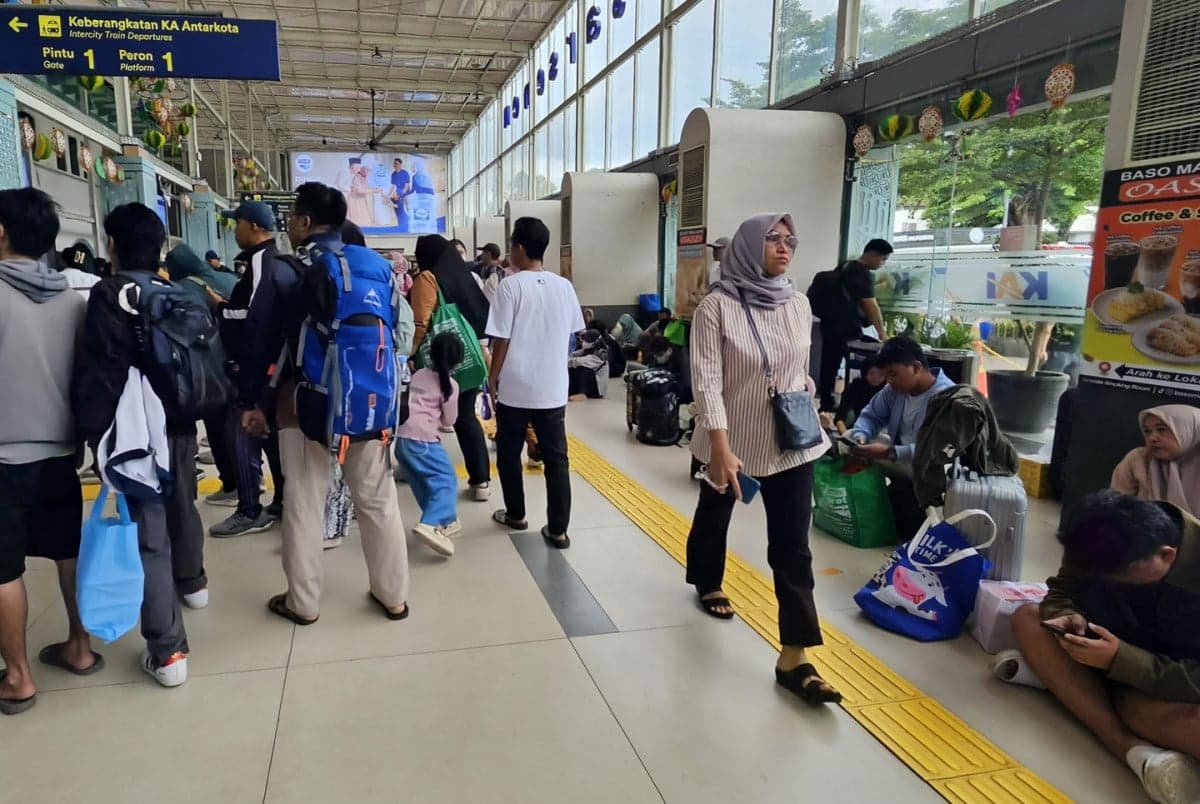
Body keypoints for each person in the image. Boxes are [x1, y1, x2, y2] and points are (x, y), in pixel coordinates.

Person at [686, 212, 840, 704]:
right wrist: (719, 447)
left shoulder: (798, 302)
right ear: (751, 246)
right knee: (716, 513)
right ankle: (707, 579)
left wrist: (809, 395)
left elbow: (799, 364)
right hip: (733, 439)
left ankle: (795, 656)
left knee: (792, 547)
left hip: (793, 440)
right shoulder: (716, 307)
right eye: (772, 238)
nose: (783, 246)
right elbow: (707, 379)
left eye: (789, 239)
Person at [253, 181, 411, 625]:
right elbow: (398, 333)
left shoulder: (289, 269)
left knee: (304, 503)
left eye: (293, 218)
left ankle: (302, 603)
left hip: (305, 406)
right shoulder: (378, 267)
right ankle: (393, 596)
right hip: (372, 402)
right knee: (378, 502)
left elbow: (260, 341)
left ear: (304, 222)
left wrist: (252, 399)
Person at [1012, 491, 1200, 804]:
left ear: (1166, 555)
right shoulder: (1100, 538)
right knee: (1029, 619)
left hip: (1173, 683)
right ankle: (1129, 748)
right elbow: (1061, 591)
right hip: (1111, 656)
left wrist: (1121, 660)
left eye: (1120, 576)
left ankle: (1075, 687)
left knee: (1156, 715)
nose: (1105, 580)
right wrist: (1064, 615)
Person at [74, 203, 194, 687]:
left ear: (113, 244)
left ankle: (168, 654)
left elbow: (100, 373)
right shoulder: (175, 291)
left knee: (149, 537)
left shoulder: (110, 293)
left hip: (135, 435)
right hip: (181, 425)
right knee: (180, 510)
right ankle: (196, 585)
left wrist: (93, 436)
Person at [0, 188, 97, 714]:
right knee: (67, 553)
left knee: (3, 569)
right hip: (63, 454)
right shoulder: (72, 301)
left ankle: (18, 679)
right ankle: (80, 648)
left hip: (3, 457)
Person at [487, 216, 584, 548]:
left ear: (520, 248)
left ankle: (516, 514)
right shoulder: (564, 286)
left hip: (515, 386)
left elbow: (501, 340)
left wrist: (492, 377)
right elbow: (572, 336)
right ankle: (559, 530)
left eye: (512, 243)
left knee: (509, 452)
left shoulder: (510, 286)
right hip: (553, 387)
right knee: (557, 458)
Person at [206, 201, 292, 538]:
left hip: (255, 368)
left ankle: (249, 510)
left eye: (237, 223)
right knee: (270, 436)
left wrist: (221, 309)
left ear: (254, 226)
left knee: (241, 432)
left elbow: (254, 318)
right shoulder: (278, 261)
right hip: (275, 368)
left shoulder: (261, 264)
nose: (235, 230)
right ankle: (282, 500)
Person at [410, 234, 493, 502]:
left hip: (440, 360)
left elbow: (420, 322)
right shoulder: (463, 274)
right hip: (467, 357)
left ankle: (426, 475)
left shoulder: (428, 278)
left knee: (425, 417)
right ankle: (481, 480)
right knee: (466, 418)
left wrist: (408, 354)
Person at [847, 336, 955, 540]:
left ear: (915, 367)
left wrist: (889, 452)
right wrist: (860, 436)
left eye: (893, 374)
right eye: (887, 375)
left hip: (931, 469)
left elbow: (936, 450)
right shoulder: (894, 391)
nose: (889, 381)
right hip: (902, 460)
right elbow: (871, 416)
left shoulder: (946, 397)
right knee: (848, 439)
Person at [396, 331, 464, 558]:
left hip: (403, 439)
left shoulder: (419, 375)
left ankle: (441, 521)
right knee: (446, 480)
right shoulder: (451, 386)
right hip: (423, 441)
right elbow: (449, 421)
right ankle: (431, 522)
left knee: (421, 481)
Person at [814, 239, 893, 411]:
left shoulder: (845, 266)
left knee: (829, 366)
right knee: (862, 366)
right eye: (882, 259)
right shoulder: (863, 273)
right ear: (872, 254)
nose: (882, 264)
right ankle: (853, 405)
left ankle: (826, 405)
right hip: (847, 329)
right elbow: (871, 305)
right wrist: (882, 334)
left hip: (829, 325)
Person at [1112, 405, 1200, 518]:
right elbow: (1114, 508)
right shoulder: (1138, 459)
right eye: (1147, 431)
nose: (1152, 438)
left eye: (1162, 429)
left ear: (1189, 430)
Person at [833, 355, 885, 428]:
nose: (876, 378)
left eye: (881, 374)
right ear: (864, 372)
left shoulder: (887, 390)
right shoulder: (855, 387)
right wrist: (845, 436)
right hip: (857, 427)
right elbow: (839, 417)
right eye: (872, 374)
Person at [390, 158, 412, 231]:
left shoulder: (405, 173)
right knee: (393, 201)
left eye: (396, 163)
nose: (395, 165)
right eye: (394, 163)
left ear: (400, 164)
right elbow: (393, 186)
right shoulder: (393, 174)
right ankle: (401, 223)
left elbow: (407, 186)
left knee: (401, 205)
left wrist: (401, 195)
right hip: (397, 193)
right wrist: (391, 195)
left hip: (405, 192)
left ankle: (405, 222)